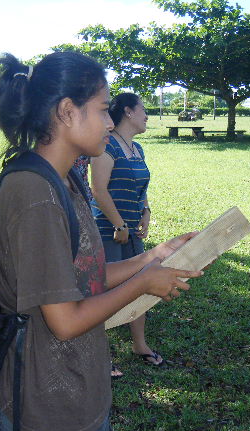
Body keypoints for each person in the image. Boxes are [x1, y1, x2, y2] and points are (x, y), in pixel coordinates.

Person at [0, 52, 203, 431]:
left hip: (82, 394)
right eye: (104, 109)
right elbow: (64, 320)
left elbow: (83, 277)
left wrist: (152, 257)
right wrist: (144, 284)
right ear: (68, 111)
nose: (109, 122)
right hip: (43, 410)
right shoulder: (34, 194)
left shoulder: (68, 181)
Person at [89, 92, 162, 376]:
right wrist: (119, 224)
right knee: (103, 294)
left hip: (131, 231)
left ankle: (140, 345)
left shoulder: (138, 148)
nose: (147, 115)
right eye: (143, 109)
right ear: (129, 112)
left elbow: (141, 187)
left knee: (140, 285)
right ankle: (101, 356)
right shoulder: (108, 146)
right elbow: (99, 189)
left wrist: (146, 212)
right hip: (109, 230)